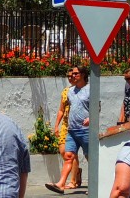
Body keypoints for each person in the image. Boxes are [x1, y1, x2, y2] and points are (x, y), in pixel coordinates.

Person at [46, 65, 88, 194]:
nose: (73, 76)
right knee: (68, 156)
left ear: (83, 75)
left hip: (85, 130)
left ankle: (94, 184)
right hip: (72, 130)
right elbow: (63, 109)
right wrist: (58, 125)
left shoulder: (90, 89)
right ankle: (61, 184)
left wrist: (91, 118)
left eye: (76, 73)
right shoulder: (70, 91)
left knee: (90, 158)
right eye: (72, 74)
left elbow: (97, 107)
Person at [53, 68, 81, 189]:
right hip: (66, 125)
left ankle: (73, 180)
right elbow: (61, 109)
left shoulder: (83, 91)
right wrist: (56, 125)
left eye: (72, 75)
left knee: (72, 154)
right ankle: (77, 173)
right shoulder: (65, 92)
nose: (70, 78)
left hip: (78, 126)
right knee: (64, 152)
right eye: (68, 76)